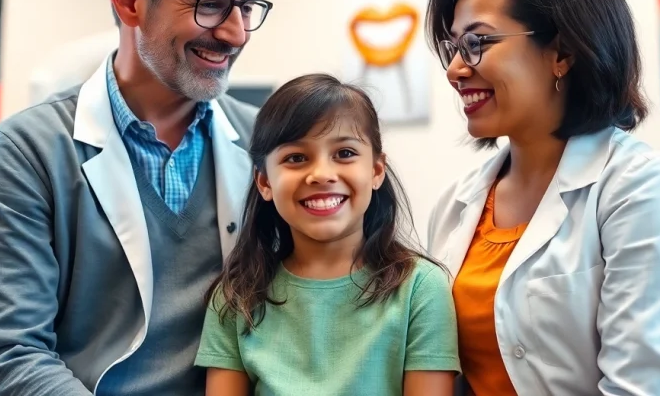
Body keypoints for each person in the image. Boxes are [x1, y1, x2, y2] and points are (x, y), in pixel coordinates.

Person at [0, 0, 272, 395]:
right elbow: (9, 354)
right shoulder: (26, 152)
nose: (236, 33)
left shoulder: (268, 142)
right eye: (212, 5)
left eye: (248, 7)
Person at [424, 0, 660, 395]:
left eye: (477, 43)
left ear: (561, 53)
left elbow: (647, 387)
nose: (454, 70)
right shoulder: (455, 203)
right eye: (453, 47)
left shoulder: (646, 188)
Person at [195, 74, 461, 396]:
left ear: (376, 170)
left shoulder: (420, 288)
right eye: (296, 158)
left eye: (345, 153)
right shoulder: (236, 296)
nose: (321, 175)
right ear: (264, 182)